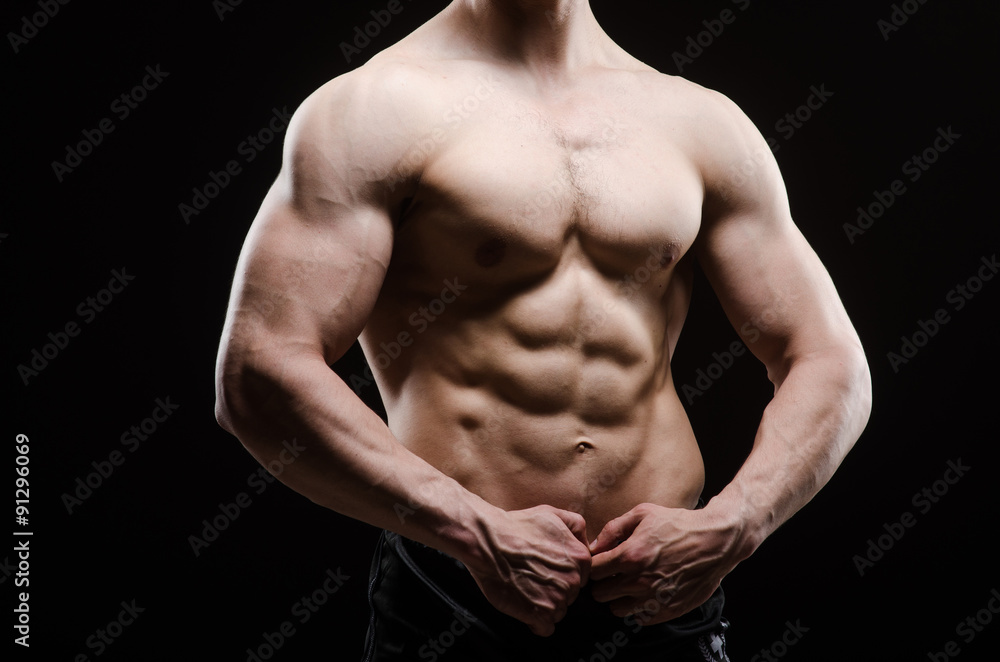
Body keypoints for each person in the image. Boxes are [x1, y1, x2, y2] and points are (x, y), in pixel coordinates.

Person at [214, 1, 872, 659]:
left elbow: (827, 357)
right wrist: (471, 530)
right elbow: (260, 368)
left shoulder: (698, 121)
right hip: (461, 584)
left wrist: (737, 522)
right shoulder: (374, 110)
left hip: (666, 587)